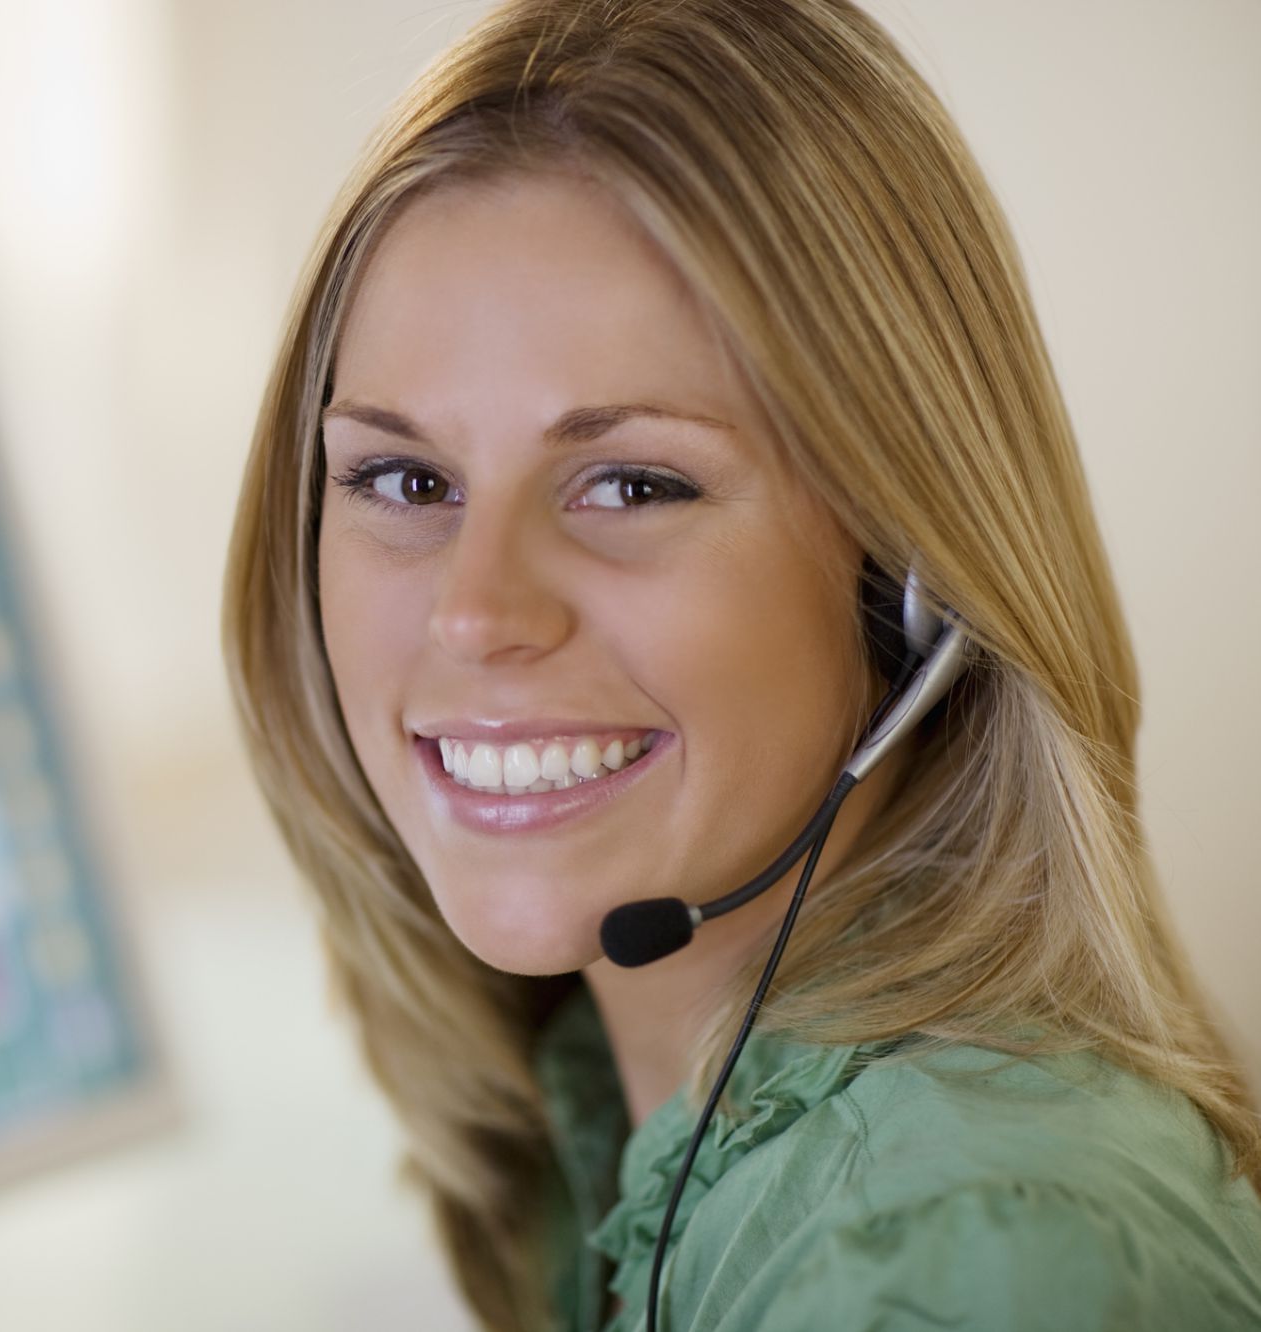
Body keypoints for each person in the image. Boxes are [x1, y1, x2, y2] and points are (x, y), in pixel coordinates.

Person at [219, 1, 1261, 1329]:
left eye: (630, 484)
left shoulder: (956, 1266)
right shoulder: (609, 1103)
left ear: (910, 582)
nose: (475, 614)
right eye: (406, 479)